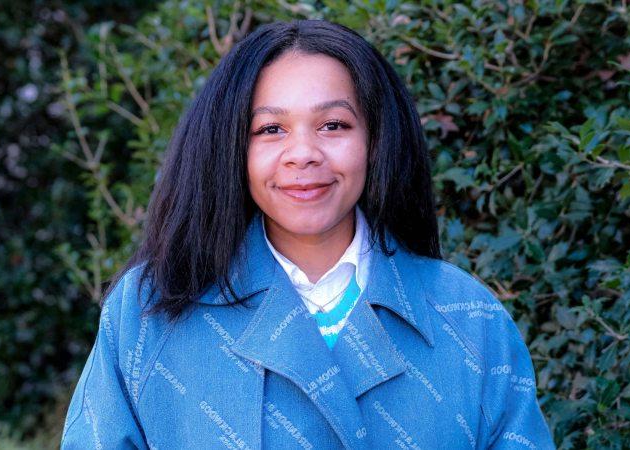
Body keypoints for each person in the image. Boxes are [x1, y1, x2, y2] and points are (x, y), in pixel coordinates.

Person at [60, 19, 555, 450]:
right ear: (229, 147)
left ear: (377, 139)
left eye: (333, 125)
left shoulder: (467, 317)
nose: (303, 154)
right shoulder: (149, 312)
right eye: (271, 129)